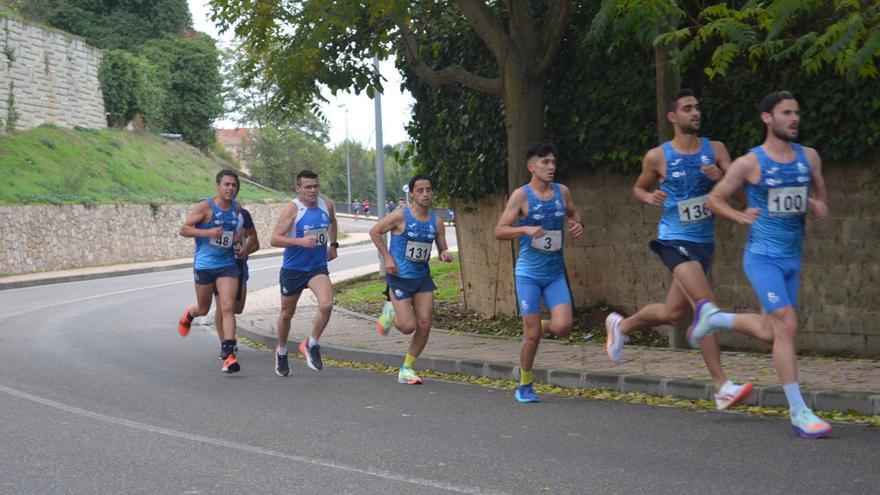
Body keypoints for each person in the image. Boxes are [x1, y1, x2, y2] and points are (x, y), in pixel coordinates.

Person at [603, 89, 756, 410]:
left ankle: (622, 325)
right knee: (707, 307)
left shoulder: (716, 150)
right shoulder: (657, 156)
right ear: (673, 117)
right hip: (673, 240)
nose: (695, 113)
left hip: (703, 243)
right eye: (688, 109)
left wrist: (723, 176)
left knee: (673, 315)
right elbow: (638, 188)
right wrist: (649, 198)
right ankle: (721, 386)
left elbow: (740, 193)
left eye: (697, 107)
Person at [694, 90, 831, 439]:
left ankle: (715, 318)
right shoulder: (749, 163)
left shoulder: (809, 158)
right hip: (762, 257)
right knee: (786, 325)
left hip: (792, 258)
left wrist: (818, 205)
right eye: (786, 113)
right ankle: (799, 411)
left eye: (797, 112)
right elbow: (713, 199)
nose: (794, 118)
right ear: (767, 118)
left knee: (772, 331)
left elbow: (820, 195)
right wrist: (738, 216)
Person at [494, 143, 584, 403]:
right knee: (532, 336)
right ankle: (524, 384)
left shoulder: (562, 192)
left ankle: (536, 326)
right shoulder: (521, 196)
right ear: (531, 167)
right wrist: (524, 230)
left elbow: (573, 212)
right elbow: (500, 230)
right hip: (528, 274)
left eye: (553, 162)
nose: (551, 167)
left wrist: (577, 223)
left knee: (564, 326)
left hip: (555, 273)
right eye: (545, 162)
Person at [371, 175, 454, 384]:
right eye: (420, 190)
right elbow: (375, 231)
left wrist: (444, 253)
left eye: (428, 190)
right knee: (408, 326)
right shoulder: (400, 216)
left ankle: (407, 368)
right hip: (399, 277)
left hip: (421, 278)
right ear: (412, 193)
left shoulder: (436, 221)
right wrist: (387, 257)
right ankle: (389, 311)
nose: (425, 194)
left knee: (425, 324)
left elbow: (442, 246)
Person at [269, 170, 339, 377]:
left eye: (316, 186)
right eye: (308, 187)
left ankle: (312, 343)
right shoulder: (293, 209)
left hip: (317, 267)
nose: (313, 191)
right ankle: (281, 351)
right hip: (293, 269)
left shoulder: (327, 205)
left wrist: (333, 244)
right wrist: (299, 241)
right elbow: (274, 239)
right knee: (286, 313)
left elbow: (333, 222)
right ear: (297, 189)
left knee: (326, 305)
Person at [177, 169, 244, 373]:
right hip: (205, 266)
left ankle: (229, 354)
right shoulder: (205, 207)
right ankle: (190, 314)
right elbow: (184, 229)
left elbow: (235, 233)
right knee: (204, 309)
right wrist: (207, 232)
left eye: (233, 185)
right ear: (218, 186)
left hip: (227, 265)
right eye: (226, 184)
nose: (230, 188)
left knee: (227, 307)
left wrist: (240, 244)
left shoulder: (236, 208)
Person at [213, 189, 260, 349]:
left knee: (237, 308)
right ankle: (225, 343)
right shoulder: (212, 213)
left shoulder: (243, 215)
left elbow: (255, 241)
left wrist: (245, 250)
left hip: (239, 266)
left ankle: (227, 336)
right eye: (226, 185)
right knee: (224, 306)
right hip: (218, 266)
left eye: (233, 186)